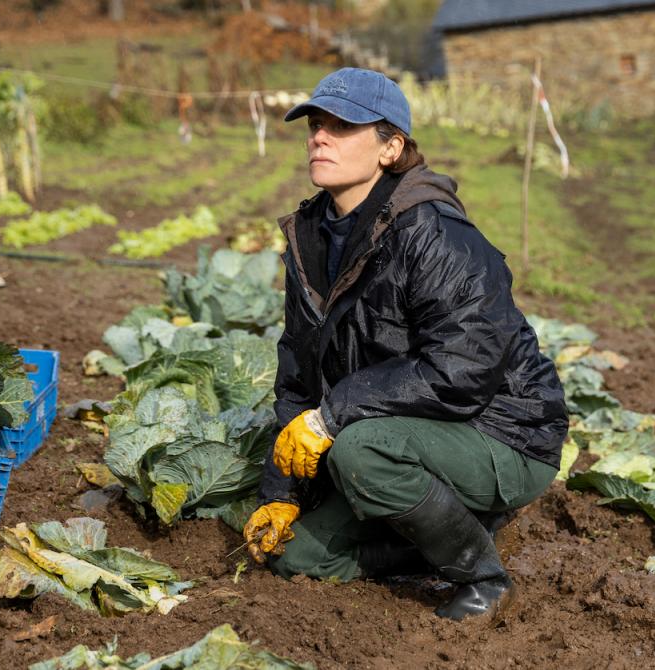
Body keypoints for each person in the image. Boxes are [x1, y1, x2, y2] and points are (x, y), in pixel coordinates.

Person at [242, 67, 568, 621]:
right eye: (316, 124)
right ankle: (441, 530)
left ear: (391, 147)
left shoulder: (435, 234)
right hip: (400, 427)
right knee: (292, 555)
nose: (319, 137)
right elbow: (298, 374)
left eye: (342, 127)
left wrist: (332, 417)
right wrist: (281, 494)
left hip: (502, 431)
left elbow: (462, 371)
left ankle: (481, 576)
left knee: (361, 450)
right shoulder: (310, 239)